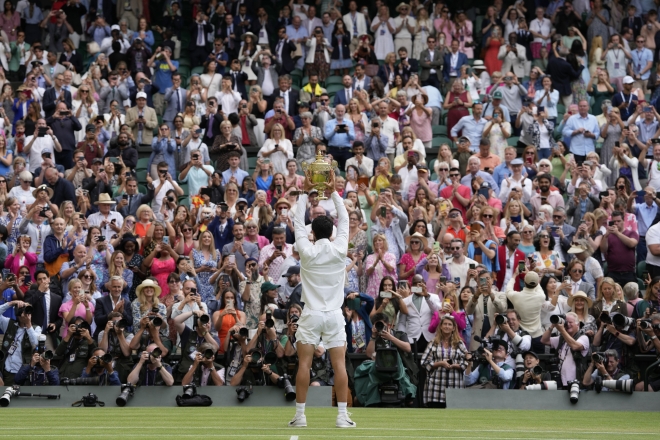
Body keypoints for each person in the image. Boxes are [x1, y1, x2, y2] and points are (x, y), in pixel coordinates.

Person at [289, 169, 354, 428]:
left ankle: (301, 416)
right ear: (333, 232)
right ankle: (341, 417)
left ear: (312, 233)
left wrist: (307, 192)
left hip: (312, 314)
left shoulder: (306, 249)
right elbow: (346, 218)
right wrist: (333, 192)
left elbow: (296, 220)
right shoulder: (340, 248)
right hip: (334, 315)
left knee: (304, 364)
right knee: (339, 365)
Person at [541, 312, 590, 388]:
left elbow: (574, 346)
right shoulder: (562, 339)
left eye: (570, 322)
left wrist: (562, 330)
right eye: (566, 322)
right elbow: (544, 340)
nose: (568, 324)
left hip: (576, 383)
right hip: (561, 382)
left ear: (578, 324)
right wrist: (552, 326)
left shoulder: (583, 338)